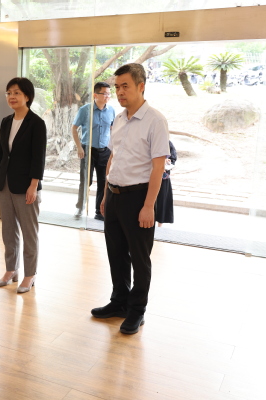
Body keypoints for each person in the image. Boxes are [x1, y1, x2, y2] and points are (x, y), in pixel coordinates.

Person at [91, 63, 170, 334]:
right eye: (117, 87)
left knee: (139, 258)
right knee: (116, 254)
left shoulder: (155, 120)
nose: (120, 92)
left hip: (138, 198)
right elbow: (113, 158)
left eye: (125, 86)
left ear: (141, 86)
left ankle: (137, 311)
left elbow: (158, 167)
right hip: (114, 195)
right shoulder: (119, 118)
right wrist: (105, 194)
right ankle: (119, 302)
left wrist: (149, 206)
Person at [0, 77, 47, 294]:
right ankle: (11, 270)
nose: (11, 97)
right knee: (8, 230)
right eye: (9, 93)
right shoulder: (6, 121)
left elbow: (38, 158)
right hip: (5, 183)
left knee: (29, 232)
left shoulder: (36, 123)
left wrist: (34, 186)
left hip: (26, 186)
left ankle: (30, 274)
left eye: (16, 93)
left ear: (27, 96)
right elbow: (0, 153)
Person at [72, 82, 116, 221]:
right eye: (105, 93)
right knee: (86, 181)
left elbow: (113, 129)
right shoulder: (85, 110)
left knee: (103, 182)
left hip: (105, 152)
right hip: (88, 150)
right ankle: (80, 207)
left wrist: (113, 148)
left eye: (109, 94)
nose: (108, 96)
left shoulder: (111, 110)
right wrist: (79, 147)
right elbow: (74, 128)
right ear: (95, 95)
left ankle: (99, 211)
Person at [156, 140, 177, 227]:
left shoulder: (168, 143)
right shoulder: (149, 141)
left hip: (163, 177)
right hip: (147, 176)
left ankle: (160, 225)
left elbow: (173, 159)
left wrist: (167, 162)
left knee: (162, 200)